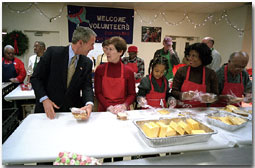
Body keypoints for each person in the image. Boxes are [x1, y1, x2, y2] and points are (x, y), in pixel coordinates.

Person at [31, 26, 96, 119]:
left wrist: (89, 104)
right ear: (80, 43)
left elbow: (87, 86)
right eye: (91, 44)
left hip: (71, 114)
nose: (93, 48)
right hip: (48, 111)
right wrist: (44, 99)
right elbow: (36, 78)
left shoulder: (87, 63)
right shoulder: (53, 53)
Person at [94, 36, 136, 113]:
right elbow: (98, 93)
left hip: (122, 111)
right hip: (104, 110)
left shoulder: (128, 71)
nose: (107, 52)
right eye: (107, 49)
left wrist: (124, 105)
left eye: (111, 49)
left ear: (120, 52)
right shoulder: (100, 69)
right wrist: (108, 107)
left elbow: (132, 94)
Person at [171, 43, 218, 108]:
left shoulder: (211, 74)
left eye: (194, 56)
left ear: (202, 57)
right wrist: (183, 95)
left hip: (202, 112)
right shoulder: (181, 71)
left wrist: (211, 98)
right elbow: (174, 92)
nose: (190, 58)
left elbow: (216, 96)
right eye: (189, 55)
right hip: (182, 110)